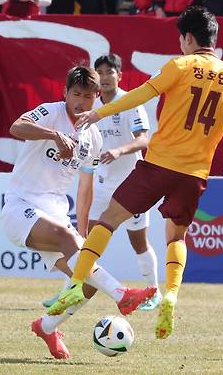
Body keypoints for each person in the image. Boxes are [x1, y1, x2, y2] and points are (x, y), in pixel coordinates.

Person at [47, 6, 223, 340]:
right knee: (177, 238)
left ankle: (77, 283)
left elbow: (140, 94)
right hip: (194, 172)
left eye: (181, 39)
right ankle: (170, 295)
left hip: (158, 164)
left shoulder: (180, 66)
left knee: (109, 219)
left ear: (187, 38)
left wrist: (99, 113)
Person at [2, 66, 156, 359]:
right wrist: (54, 135)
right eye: (76, 94)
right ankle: (123, 295)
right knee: (65, 239)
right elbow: (16, 127)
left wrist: (83, 235)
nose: (81, 101)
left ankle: (47, 327)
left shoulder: (94, 136)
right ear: (65, 93)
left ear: (97, 97)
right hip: (20, 206)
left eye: (88, 96)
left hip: (56, 213)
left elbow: (85, 189)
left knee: (87, 284)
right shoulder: (50, 112)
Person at [41, 54, 160, 312]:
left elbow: (144, 140)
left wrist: (119, 151)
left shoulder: (130, 103)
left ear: (120, 75)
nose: (105, 77)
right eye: (100, 72)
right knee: (83, 240)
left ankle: (154, 293)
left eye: (110, 72)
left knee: (138, 242)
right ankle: (67, 291)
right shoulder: (91, 108)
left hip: (132, 184)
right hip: (103, 185)